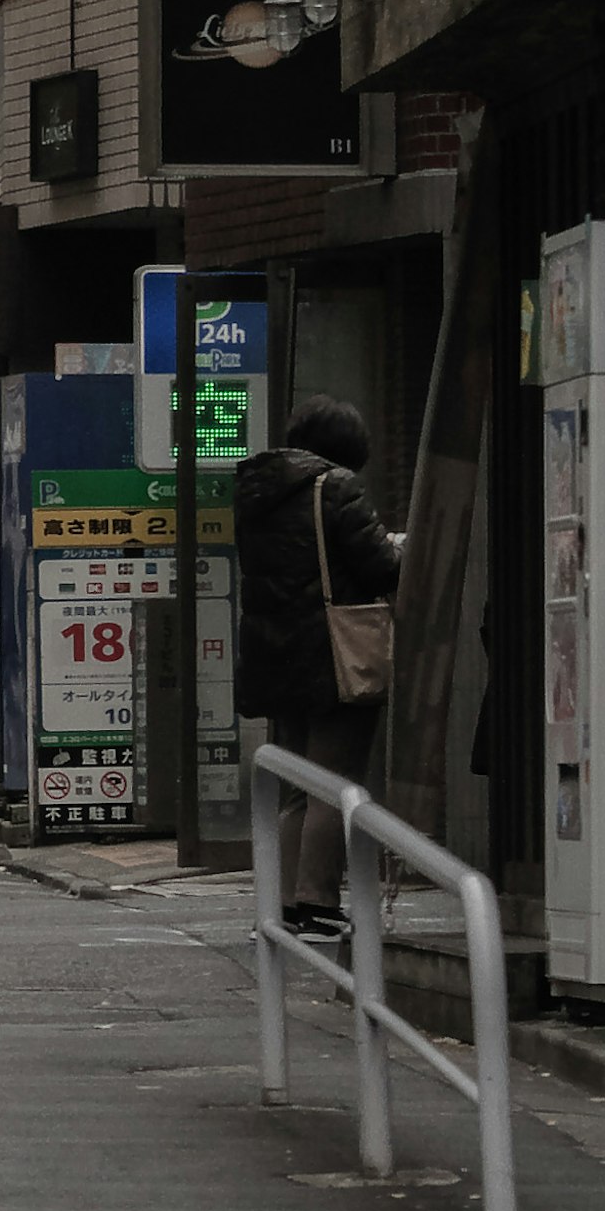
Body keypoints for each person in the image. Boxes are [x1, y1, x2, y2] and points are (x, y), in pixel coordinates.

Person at [232, 393, 405, 920]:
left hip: (274, 654)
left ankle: (284, 900)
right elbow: (380, 566)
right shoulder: (336, 488)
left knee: (296, 786)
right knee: (336, 778)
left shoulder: (257, 492)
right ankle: (317, 899)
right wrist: (403, 545)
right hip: (333, 653)